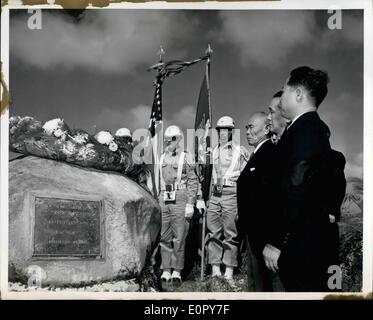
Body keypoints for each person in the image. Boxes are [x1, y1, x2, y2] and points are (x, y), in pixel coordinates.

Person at [262, 66, 346, 291]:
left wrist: (276, 241)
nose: (282, 98)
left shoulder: (306, 129)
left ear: (298, 94)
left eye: (285, 89)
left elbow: (297, 186)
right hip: (302, 242)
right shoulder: (305, 128)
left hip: (301, 246)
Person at [237, 112, 284, 292]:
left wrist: (273, 240)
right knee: (257, 284)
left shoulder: (270, 154)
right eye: (246, 127)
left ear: (266, 129)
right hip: (255, 233)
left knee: (268, 285)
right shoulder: (258, 154)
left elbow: (273, 198)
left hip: (264, 234)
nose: (247, 131)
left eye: (251, 127)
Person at [206, 116, 248, 282]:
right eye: (220, 130)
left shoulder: (241, 151)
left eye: (226, 130)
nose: (223, 133)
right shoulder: (213, 151)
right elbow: (208, 176)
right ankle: (215, 269)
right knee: (213, 231)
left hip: (232, 192)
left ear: (231, 132)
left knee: (230, 232)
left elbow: (245, 178)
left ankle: (229, 270)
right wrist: (206, 197)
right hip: (215, 194)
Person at [159, 125, 202, 284]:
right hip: (164, 197)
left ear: (179, 139)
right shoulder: (161, 157)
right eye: (167, 139)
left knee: (179, 237)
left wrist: (191, 203)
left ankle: (177, 271)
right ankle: (166, 270)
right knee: (164, 236)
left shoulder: (186, 157)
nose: (169, 142)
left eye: (173, 139)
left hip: (180, 197)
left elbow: (193, 181)